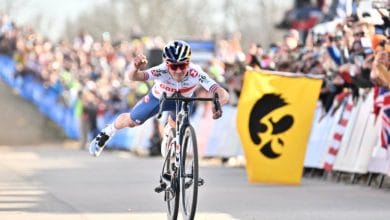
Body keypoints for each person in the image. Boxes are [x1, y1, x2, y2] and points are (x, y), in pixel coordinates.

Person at [89, 40, 230, 157]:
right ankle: (108, 132)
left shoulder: (196, 72)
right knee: (132, 121)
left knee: (181, 127)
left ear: (189, 63)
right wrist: (135, 68)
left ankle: (175, 164)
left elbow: (221, 91)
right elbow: (134, 77)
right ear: (166, 64)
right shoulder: (161, 70)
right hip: (157, 99)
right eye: (174, 67)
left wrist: (219, 102)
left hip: (183, 102)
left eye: (183, 65)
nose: (179, 70)